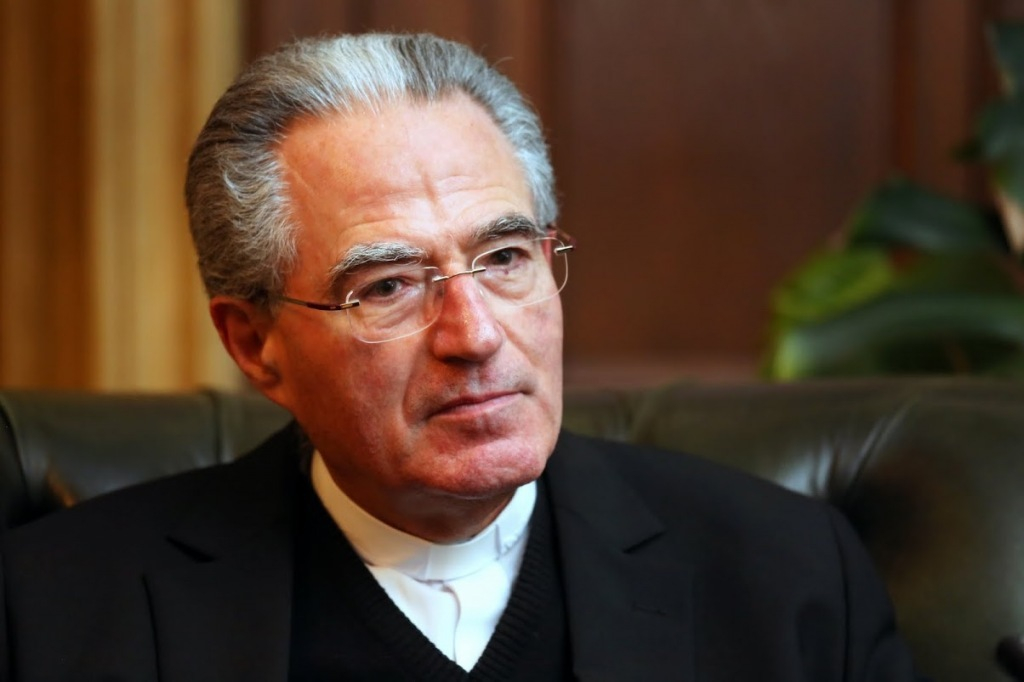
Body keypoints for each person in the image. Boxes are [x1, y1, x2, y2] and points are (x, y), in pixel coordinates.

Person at [0, 33, 925, 681]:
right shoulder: (52, 609)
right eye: (389, 285)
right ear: (255, 342)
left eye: (505, 258)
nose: (475, 334)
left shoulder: (787, 577)